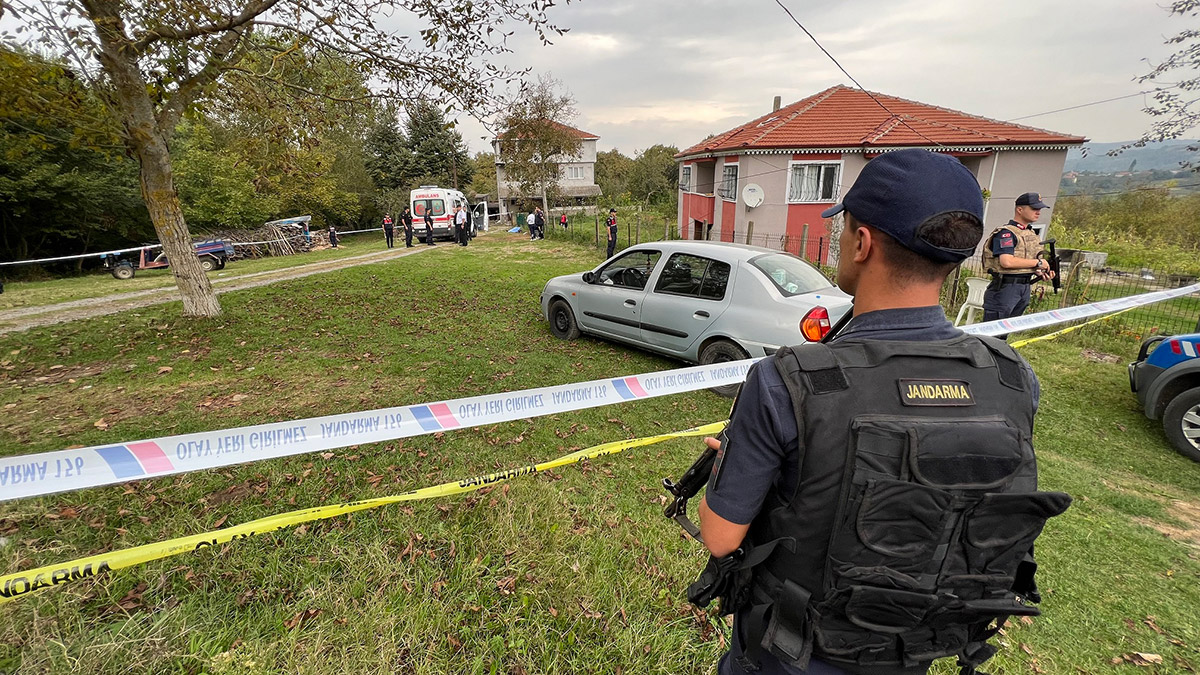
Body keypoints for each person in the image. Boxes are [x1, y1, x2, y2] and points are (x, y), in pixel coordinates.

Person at [696, 149, 1068, 675]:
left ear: (862, 242)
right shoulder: (1011, 376)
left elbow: (720, 537)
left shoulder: (787, 380)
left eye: (844, 228)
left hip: (790, 653)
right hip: (914, 650)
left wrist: (728, 471)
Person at [982, 192, 1055, 325]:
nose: (1038, 212)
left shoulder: (1031, 234)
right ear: (1020, 209)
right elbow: (1007, 261)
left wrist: (1039, 272)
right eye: (1034, 208)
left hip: (1024, 287)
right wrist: (1038, 263)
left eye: (1039, 209)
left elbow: (1024, 261)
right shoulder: (1006, 233)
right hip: (1005, 288)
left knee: (1007, 331)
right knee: (992, 333)